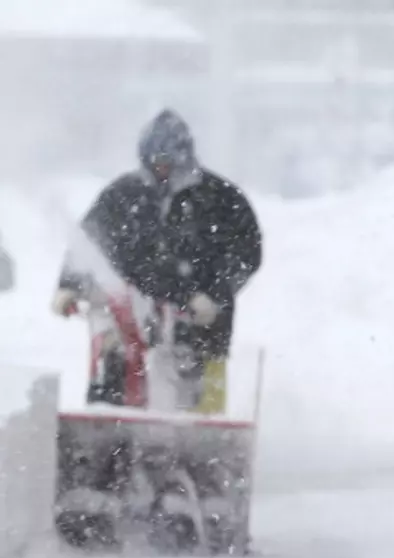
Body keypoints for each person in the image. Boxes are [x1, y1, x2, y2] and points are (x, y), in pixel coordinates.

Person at [52, 109, 262, 409]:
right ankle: (109, 430)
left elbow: (247, 253)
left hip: (204, 324)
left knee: (200, 404)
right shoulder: (123, 195)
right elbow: (88, 243)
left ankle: (202, 444)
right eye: (155, 161)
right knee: (115, 363)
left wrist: (214, 295)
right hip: (135, 313)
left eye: (167, 161)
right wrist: (69, 284)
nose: (161, 168)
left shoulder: (221, 200)